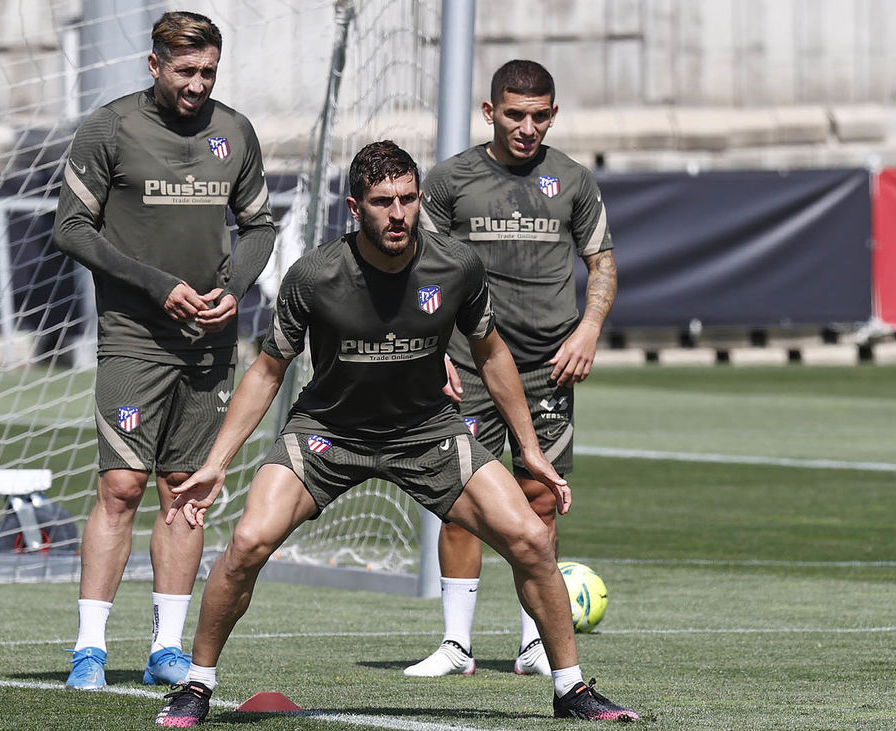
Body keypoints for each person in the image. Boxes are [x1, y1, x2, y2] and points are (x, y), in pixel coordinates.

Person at [152, 141, 638, 725]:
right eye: (383, 202)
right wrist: (216, 463)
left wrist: (530, 450)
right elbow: (268, 370)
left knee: (532, 540)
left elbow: (491, 354)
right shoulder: (314, 274)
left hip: (425, 432)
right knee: (248, 542)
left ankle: (571, 690)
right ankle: (197, 685)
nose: (399, 213)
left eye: (408, 198)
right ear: (355, 208)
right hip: (329, 433)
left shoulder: (456, 266)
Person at [52, 10, 276, 690]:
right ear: (154, 65)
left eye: (208, 72)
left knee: (185, 491)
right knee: (121, 486)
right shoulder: (110, 127)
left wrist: (235, 288)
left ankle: (167, 649)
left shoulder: (235, 131)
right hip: (133, 336)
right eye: (185, 71)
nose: (198, 84)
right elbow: (71, 228)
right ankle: (90, 649)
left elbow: (260, 225)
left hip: (209, 342)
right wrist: (156, 284)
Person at [404, 59, 618, 678]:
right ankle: (456, 645)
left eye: (539, 116)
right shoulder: (450, 180)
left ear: (553, 115)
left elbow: (602, 263)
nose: (527, 128)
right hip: (469, 363)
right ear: (489, 112)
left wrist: (589, 329)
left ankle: (533, 645)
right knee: (460, 500)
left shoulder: (573, 180)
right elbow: (420, 270)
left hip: (549, 366)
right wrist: (433, 350)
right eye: (515, 115)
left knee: (540, 498)